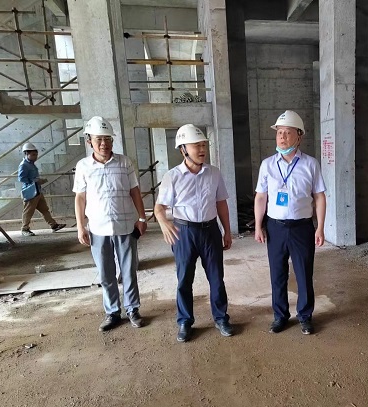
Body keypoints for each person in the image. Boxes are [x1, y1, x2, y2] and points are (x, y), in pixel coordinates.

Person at [153, 124, 233, 343]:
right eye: (196, 145)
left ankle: (221, 318)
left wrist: (227, 231)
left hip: (210, 231)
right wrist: (164, 223)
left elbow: (221, 203)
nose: (202, 149)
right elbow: (159, 208)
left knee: (216, 278)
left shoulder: (214, 173)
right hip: (184, 233)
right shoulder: (172, 176)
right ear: (183, 149)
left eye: (203, 145)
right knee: (184, 280)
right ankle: (185, 321)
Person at [254, 110, 326, 335]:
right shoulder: (267, 165)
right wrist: (258, 225)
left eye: (287, 133)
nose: (282, 137)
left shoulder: (310, 164)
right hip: (275, 227)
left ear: (299, 136)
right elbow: (261, 197)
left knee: (304, 274)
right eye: (279, 133)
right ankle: (280, 316)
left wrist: (320, 227)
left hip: (302, 227)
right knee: (277, 274)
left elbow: (319, 196)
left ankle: (305, 316)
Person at [73, 116, 147, 332]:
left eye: (108, 139)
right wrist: (80, 226)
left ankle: (132, 309)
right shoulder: (83, 166)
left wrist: (142, 218)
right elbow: (80, 198)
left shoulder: (125, 163)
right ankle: (113, 312)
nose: (104, 144)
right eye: (99, 139)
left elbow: (135, 191)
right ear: (89, 141)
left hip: (125, 226)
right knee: (106, 274)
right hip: (97, 228)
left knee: (129, 271)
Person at [17, 142, 66, 236]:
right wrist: (34, 181)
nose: (35, 157)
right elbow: (21, 178)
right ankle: (24, 229)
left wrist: (38, 181)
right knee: (28, 211)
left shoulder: (31, 164)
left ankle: (53, 225)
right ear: (26, 153)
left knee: (44, 209)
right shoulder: (24, 165)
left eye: (36, 154)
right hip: (30, 191)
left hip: (37, 191)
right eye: (33, 155)